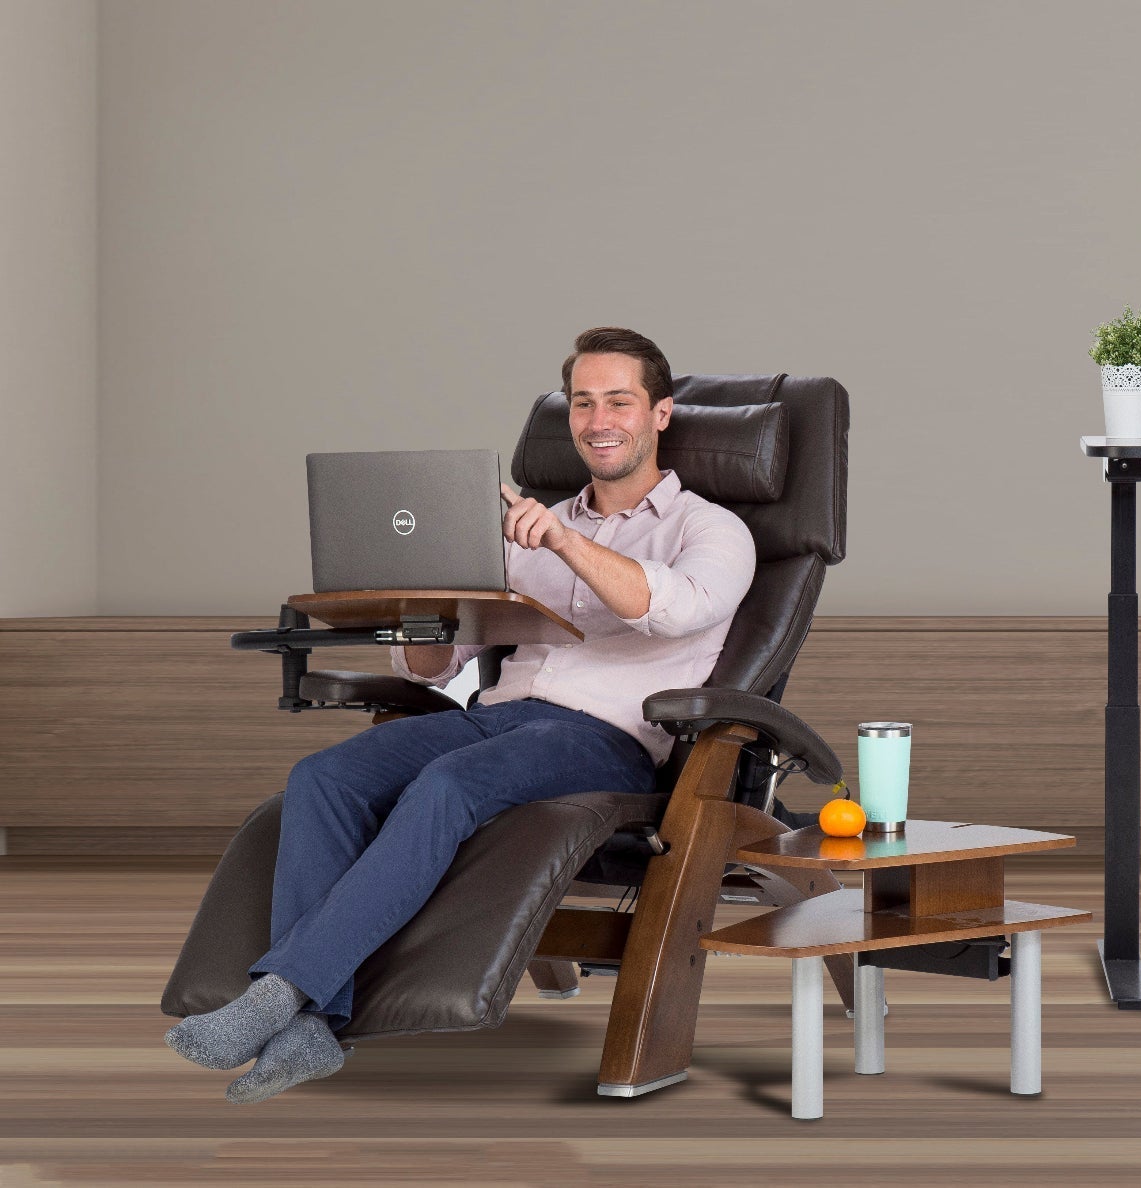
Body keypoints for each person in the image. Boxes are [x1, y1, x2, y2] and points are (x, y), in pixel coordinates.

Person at [166, 327, 756, 1100]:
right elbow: (438, 666)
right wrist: (424, 601)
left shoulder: (712, 529)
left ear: (661, 414)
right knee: (324, 777)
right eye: (582, 402)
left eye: (619, 400)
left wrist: (567, 542)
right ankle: (316, 1026)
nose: (598, 418)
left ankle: (281, 995)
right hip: (497, 715)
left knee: (448, 786)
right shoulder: (521, 532)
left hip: (606, 739)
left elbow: (669, 609)